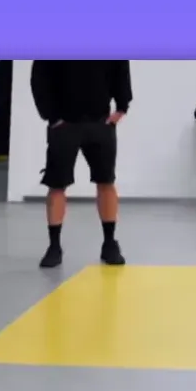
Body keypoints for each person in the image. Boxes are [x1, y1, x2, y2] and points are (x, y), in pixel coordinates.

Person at [30, 60, 132, 269]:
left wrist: (122, 107)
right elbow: (39, 77)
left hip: (100, 122)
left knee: (106, 181)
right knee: (57, 184)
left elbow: (121, 68)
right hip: (63, 124)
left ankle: (110, 243)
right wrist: (52, 116)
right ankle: (54, 246)